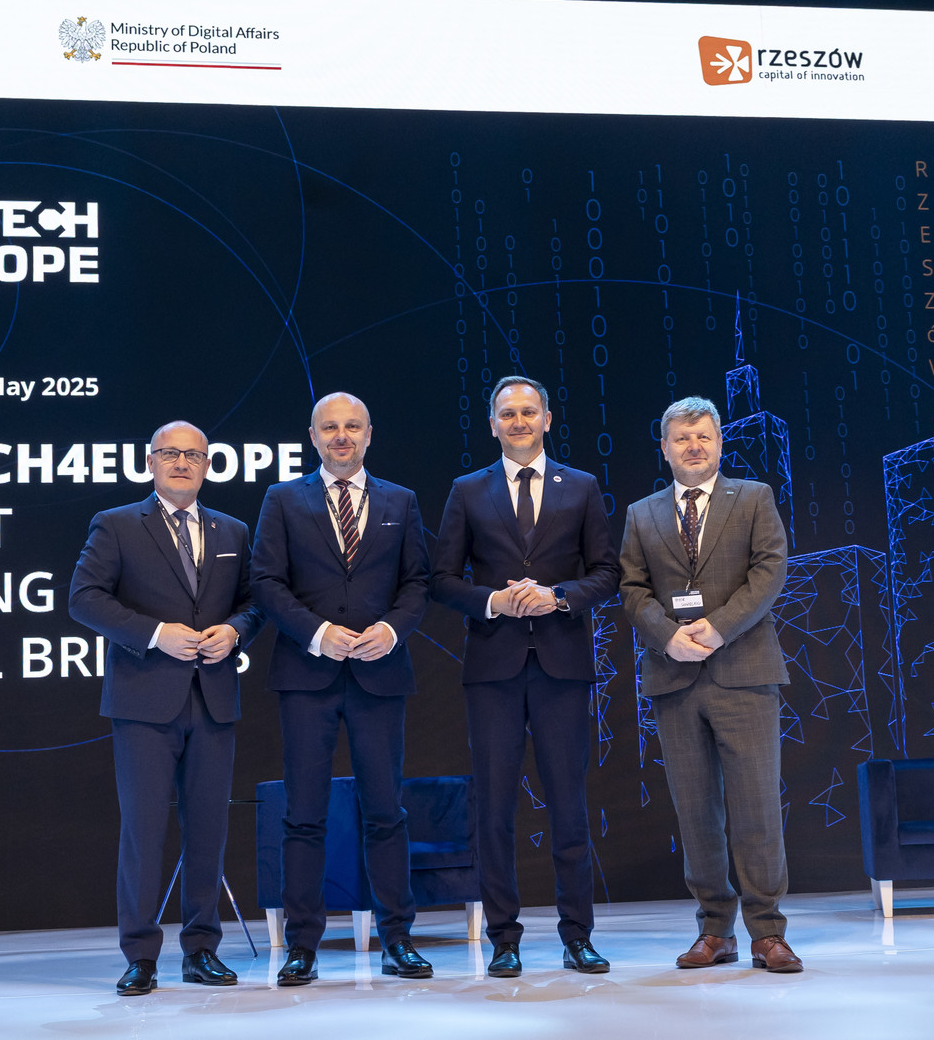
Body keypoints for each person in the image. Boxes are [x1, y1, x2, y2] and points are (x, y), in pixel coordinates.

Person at [69, 420, 265, 995]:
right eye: (171, 454)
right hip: (144, 702)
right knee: (144, 830)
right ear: (150, 461)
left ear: (208, 465)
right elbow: (84, 598)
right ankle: (140, 955)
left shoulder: (232, 529)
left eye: (194, 455)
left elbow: (254, 602)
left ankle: (202, 949)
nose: (182, 463)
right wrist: (156, 634)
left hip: (213, 699)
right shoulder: (117, 524)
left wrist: (235, 631)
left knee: (208, 831)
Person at [432, 375, 620, 977]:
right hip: (494, 668)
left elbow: (607, 573)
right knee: (494, 810)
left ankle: (577, 936)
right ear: (492, 424)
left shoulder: (581, 486)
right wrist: (494, 601)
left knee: (569, 806)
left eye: (528, 412)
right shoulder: (467, 490)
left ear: (547, 419)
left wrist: (558, 596)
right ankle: (503, 939)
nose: (518, 422)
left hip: (562, 667)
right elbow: (442, 579)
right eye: (507, 413)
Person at [250, 392, 433, 986]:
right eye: (330, 427)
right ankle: (302, 946)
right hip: (308, 676)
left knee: (385, 812)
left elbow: (417, 582)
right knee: (304, 814)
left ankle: (397, 940)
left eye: (352, 426)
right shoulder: (282, 499)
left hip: (380, 674)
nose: (341, 436)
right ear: (313, 435)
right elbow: (266, 582)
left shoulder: (400, 501)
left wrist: (392, 630)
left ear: (369, 434)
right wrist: (318, 633)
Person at [617, 395, 803, 973]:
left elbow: (770, 570)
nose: (693, 446)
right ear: (665, 448)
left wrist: (719, 627)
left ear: (720, 443)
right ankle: (715, 931)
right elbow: (631, 588)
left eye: (703, 436)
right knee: (696, 813)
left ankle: (767, 933)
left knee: (756, 808)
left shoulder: (753, 497)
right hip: (674, 676)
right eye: (682, 438)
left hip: (744, 671)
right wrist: (665, 636)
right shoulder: (641, 514)